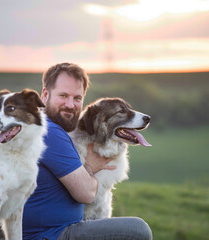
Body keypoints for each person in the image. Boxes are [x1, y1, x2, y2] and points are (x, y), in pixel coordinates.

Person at [22, 63, 152, 240]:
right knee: (139, 229)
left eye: (77, 98)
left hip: (54, 230)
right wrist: (90, 167)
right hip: (50, 235)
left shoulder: (45, 128)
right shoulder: (49, 133)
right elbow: (86, 194)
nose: (70, 104)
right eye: (63, 96)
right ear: (45, 95)